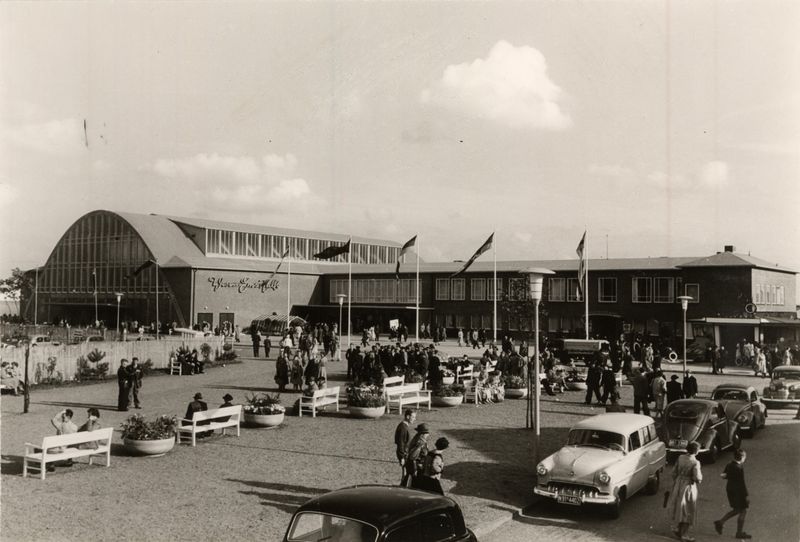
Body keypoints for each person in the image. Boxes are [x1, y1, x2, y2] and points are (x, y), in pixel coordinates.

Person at [666, 441, 702, 542]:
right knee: (689, 509)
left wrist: (677, 481)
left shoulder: (680, 458)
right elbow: (697, 478)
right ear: (696, 451)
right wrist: (697, 479)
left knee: (679, 507)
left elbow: (673, 472)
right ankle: (684, 534)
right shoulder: (695, 462)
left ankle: (678, 529)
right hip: (688, 486)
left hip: (678, 484)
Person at [714, 449, 751, 539]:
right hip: (738, 491)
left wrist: (726, 476)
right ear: (742, 457)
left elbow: (724, 475)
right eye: (744, 457)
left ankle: (721, 522)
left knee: (737, 509)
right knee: (743, 510)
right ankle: (739, 532)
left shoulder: (729, 464)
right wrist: (746, 495)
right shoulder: (739, 468)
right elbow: (741, 483)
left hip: (730, 489)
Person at [394, 409, 416, 487]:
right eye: (413, 417)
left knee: (406, 473)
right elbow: (401, 443)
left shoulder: (404, 426)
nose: (414, 419)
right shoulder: (403, 428)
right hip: (404, 454)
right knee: (405, 473)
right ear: (407, 416)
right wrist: (402, 457)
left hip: (405, 453)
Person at [404, 423, 431, 488]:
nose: (428, 434)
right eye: (427, 433)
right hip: (416, 466)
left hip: (414, 465)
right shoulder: (420, 443)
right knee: (415, 484)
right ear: (422, 434)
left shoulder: (417, 438)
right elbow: (413, 456)